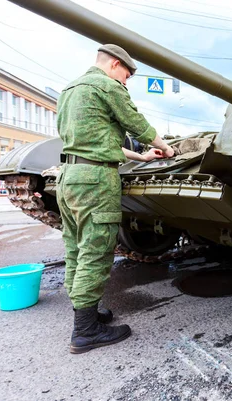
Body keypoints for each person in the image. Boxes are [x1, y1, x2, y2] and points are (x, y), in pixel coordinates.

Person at [56, 44, 175, 354]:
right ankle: (85, 331)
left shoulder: (70, 90)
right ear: (113, 64)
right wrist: (168, 148)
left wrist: (143, 156)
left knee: (76, 248)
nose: (126, 81)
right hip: (95, 182)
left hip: (69, 177)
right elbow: (137, 123)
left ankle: (87, 313)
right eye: (127, 74)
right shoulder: (107, 85)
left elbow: (96, 142)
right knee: (96, 251)